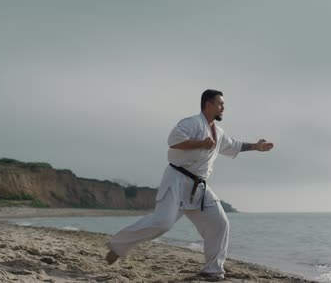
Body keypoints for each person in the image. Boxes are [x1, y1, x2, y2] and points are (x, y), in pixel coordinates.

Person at [105, 89, 274, 280]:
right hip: (177, 179)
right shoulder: (191, 123)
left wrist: (256, 147)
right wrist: (200, 143)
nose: (223, 108)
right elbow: (174, 141)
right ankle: (118, 245)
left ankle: (213, 270)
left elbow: (234, 145)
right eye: (220, 104)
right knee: (162, 223)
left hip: (199, 186)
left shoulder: (218, 132)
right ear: (208, 105)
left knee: (220, 223)